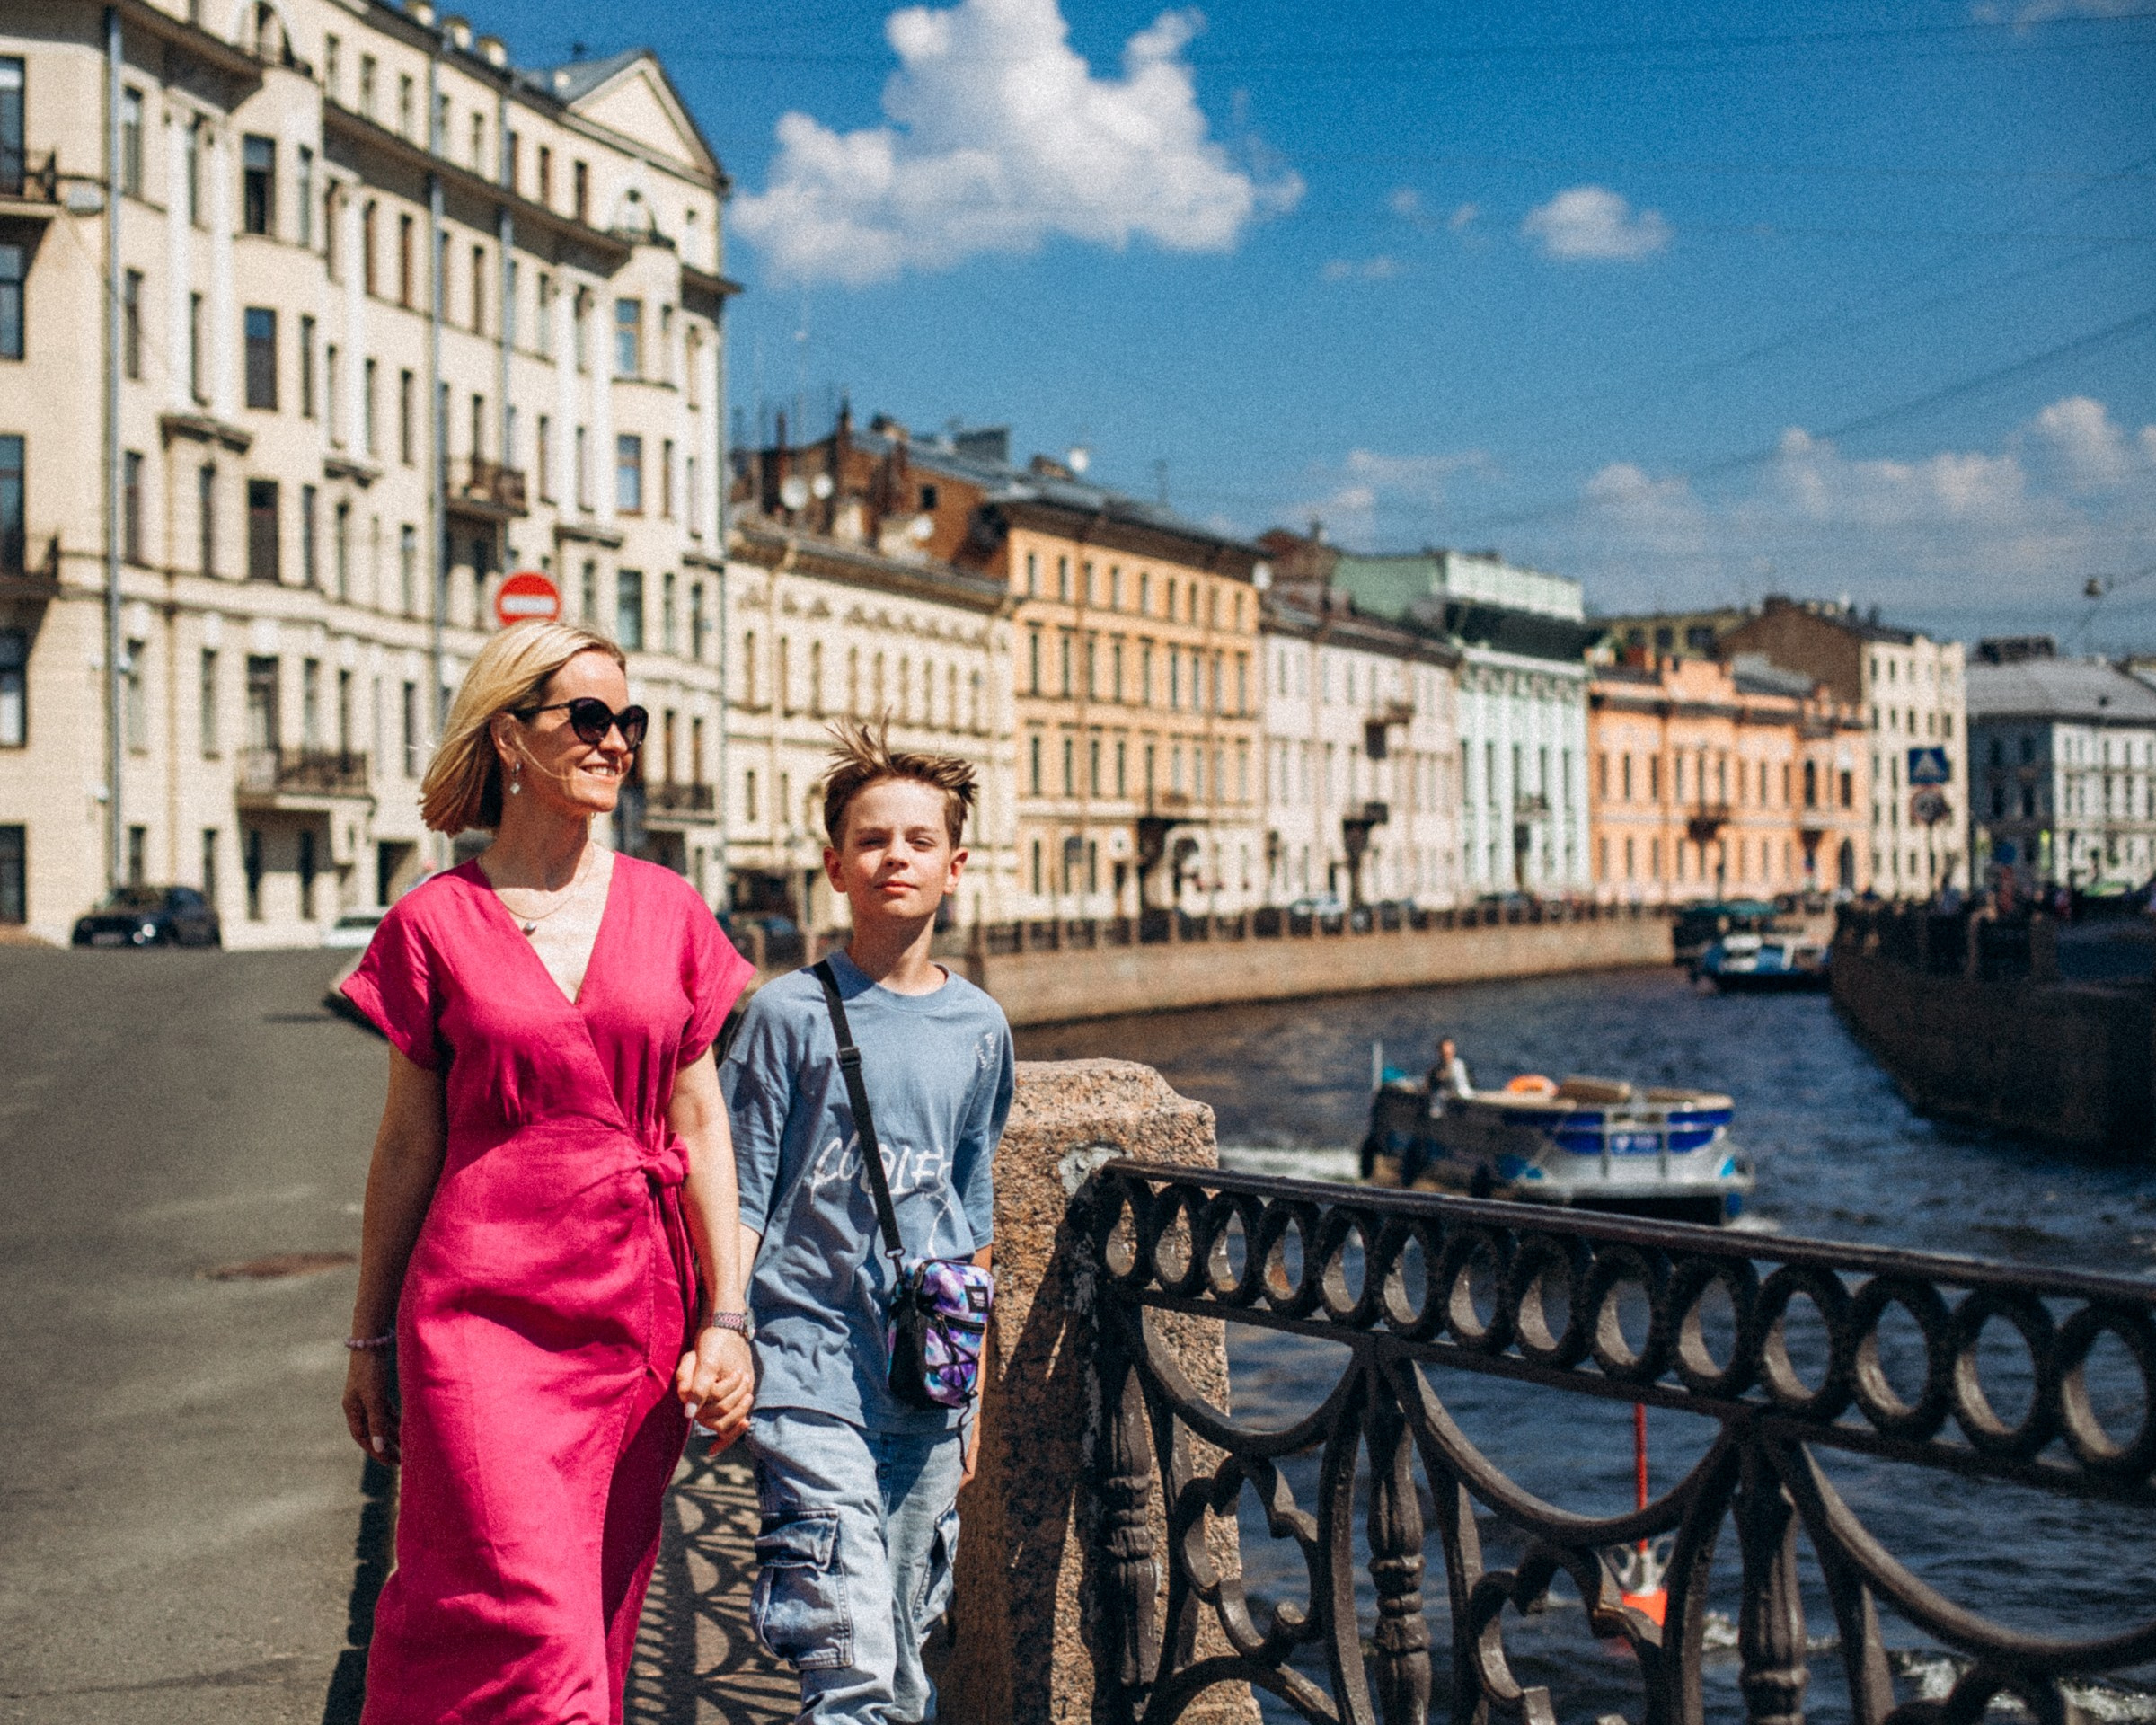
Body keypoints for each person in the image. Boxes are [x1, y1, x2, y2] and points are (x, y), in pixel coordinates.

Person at [338, 622, 756, 1724]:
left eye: (631, 721)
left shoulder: (670, 909)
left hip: (632, 1319)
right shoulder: (432, 923)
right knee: (531, 1616)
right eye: (589, 717)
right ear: (509, 738)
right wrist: (368, 1336)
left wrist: (730, 1317)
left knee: (594, 1614)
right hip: (478, 1322)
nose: (617, 742)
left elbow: (702, 1123)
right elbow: (406, 1146)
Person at [722, 721, 1014, 1724]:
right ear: (835, 865)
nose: (897, 856)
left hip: (925, 1380)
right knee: (845, 1655)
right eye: (874, 839)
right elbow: (742, 1194)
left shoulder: (980, 1027)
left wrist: (969, 1392)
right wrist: (725, 1333)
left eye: (919, 840)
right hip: (808, 1367)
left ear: (955, 865)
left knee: (900, 1662)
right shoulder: (785, 1015)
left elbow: (971, 1206)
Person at [1427, 1036, 1473, 1107]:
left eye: (1449, 1053)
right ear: (1440, 1053)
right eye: (1444, 1054)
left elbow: (1469, 1084)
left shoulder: (1460, 1066)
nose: (1447, 1056)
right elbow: (1430, 1086)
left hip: (1462, 1100)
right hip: (1442, 1104)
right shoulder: (1436, 1070)